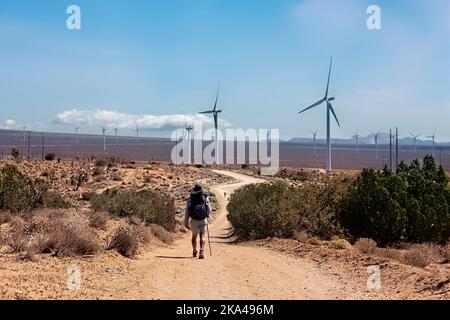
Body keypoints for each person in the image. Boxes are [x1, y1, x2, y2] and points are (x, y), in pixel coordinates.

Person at [185, 184, 212, 259]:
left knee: (194, 237)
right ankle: (202, 251)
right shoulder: (205, 197)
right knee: (202, 236)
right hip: (203, 219)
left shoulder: (190, 198)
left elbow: (187, 211)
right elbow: (209, 209)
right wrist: (207, 215)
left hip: (194, 220)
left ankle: (194, 251)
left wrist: (186, 223)